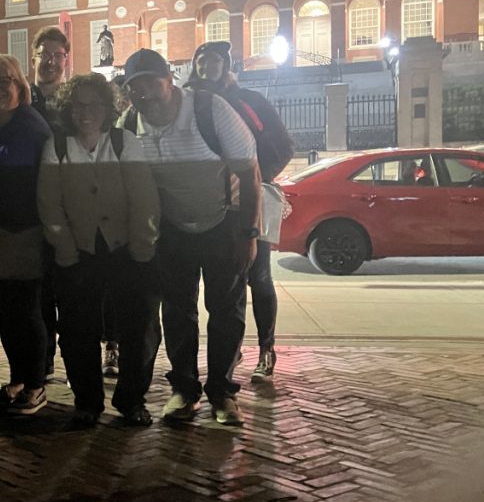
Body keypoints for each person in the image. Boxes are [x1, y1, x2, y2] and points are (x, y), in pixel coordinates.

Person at [120, 48, 261, 427]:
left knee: (226, 310)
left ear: (170, 79)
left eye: (151, 82)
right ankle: (184, 390)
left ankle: (223, 393)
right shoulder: (130, 122)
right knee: (178, 312)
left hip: (223, 224)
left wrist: (249, 234)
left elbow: (250, 175)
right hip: (172, 230)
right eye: (135, 86)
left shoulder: (209, 110)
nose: (144, 92)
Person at [37, 74, 161, 426]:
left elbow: (144, 200)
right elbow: (50, 204)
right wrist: (65, 250)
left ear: (108, 108)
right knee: (77, 333)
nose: (85, 111)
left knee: (139, 329)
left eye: (94, 104)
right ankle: (87, 402)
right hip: (77, 254)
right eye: (78, 104)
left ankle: (131, 400)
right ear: (67, 108)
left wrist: (141, 249)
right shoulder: (56, 147)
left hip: (128, 252)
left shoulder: (125, 142)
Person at [186, 41, 294, 382]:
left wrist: (256, 177)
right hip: (205, 206)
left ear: (226, 65)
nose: (207, 66)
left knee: (258, 276)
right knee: (213, 290)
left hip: (248, 200)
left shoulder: (249, 102)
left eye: (215, 60)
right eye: (201, 60)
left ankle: (266, 347)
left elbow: (283, 146)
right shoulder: (187, 104)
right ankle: (219, 358)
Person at [0, 53, 53, 415]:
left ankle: (36, 384)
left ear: (20, 85)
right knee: (5, 309)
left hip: (25, 230)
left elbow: (11, 157)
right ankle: (20, 377)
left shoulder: (30, 125)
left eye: (5, 80)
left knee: (25, 309)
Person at [28, 26, 71, 380]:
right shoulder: (21, 97)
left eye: (58, 55)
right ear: (34, 56)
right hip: (30, 207)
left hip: (70, 207)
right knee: (39, 293)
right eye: (45, 53)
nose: (51, 61)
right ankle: (42, 363)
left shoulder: (74, 102)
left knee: (72, 292)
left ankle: (80, 360)